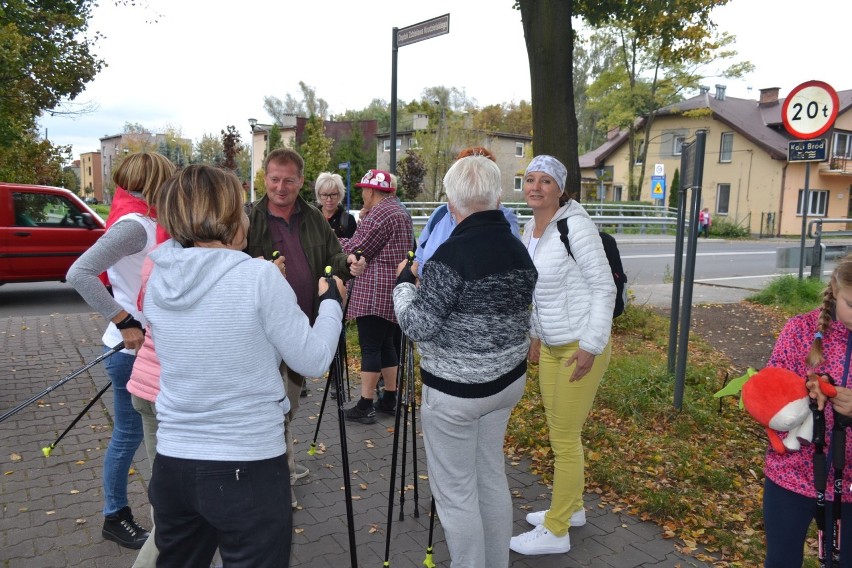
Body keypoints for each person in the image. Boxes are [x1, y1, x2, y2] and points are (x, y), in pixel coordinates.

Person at [144, 164, 344, 568]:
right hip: (246, 465)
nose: (248, 216)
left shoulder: (160, 279)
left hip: (173, 464)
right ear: (228, 215)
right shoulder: (257, 278)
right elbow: (313, 358)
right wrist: (331, 304)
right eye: (241, 206)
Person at [393, 155, 537, 567]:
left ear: (451, 203)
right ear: (496, 197)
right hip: (505, 384)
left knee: (456, 494)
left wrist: (403, 286)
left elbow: (418, 326)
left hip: (457, 394)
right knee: (490, 476)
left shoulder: (448, 258)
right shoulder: (518, 249)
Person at [66, 151, 176, 550]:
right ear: (154, 182)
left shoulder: (148, 221)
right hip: (130, 351)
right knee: (129, 438)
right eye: (167, 178)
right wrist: (123, 320)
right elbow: (78, 272)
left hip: (148, 349)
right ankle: (115, 516)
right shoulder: (134, 226)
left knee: (139, 435)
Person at [244, 148, 365, 507]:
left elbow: (332, 258)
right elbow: (230, 265)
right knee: (271, 409)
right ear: (264, 179)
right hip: (259, 333)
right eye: (274, 179)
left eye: (289, 180)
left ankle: (283, 465)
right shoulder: (248, 219)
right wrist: (260, 268)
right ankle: (279, 482)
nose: (281, 187)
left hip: (302, 329)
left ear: (300, 181)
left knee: (287, 407)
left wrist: (349, 262)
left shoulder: (313, 217)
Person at [510, 155, 616, 556]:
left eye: (545, 181)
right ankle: (571, 509)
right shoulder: (530, 230)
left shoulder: (576, 227)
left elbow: (604, 289)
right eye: (530, 179)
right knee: (560, 433)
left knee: (565, 439)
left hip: (579, 346)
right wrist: (535, 334)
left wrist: (590, 346)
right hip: (552, 345)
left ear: (560, 188)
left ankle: (556, 531)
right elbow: (536, 292)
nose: (535, 187)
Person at [763, 254, 852, 566]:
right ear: (835, 290)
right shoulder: (799, 330)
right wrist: (803, 393)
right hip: (790, 476)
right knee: (781, 560)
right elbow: (768, 394)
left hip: (850, 489)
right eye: (851, 304)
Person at [340, 169, 414, 424]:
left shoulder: (379, 214)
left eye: (363, 189)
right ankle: (390, 398)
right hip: (394, 287)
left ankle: (365, 403)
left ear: (371, 191)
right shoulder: (400, 210)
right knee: (386, 345)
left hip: (373, 289)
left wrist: (333, 242)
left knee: (370, 346)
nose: (362, 193)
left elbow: (357, 248)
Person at [414, 147, 521, 276]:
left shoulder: (505, 221)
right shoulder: (441, 214)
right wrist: (418, 275)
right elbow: (420, 256)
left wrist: (404, 284)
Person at [315, 172, 356, 239]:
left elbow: (355, 248)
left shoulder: (348, 220)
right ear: (318, 195)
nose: (329, 199)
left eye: (333, 194)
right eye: (324, 195)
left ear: (340, 194)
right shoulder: (311, 217)